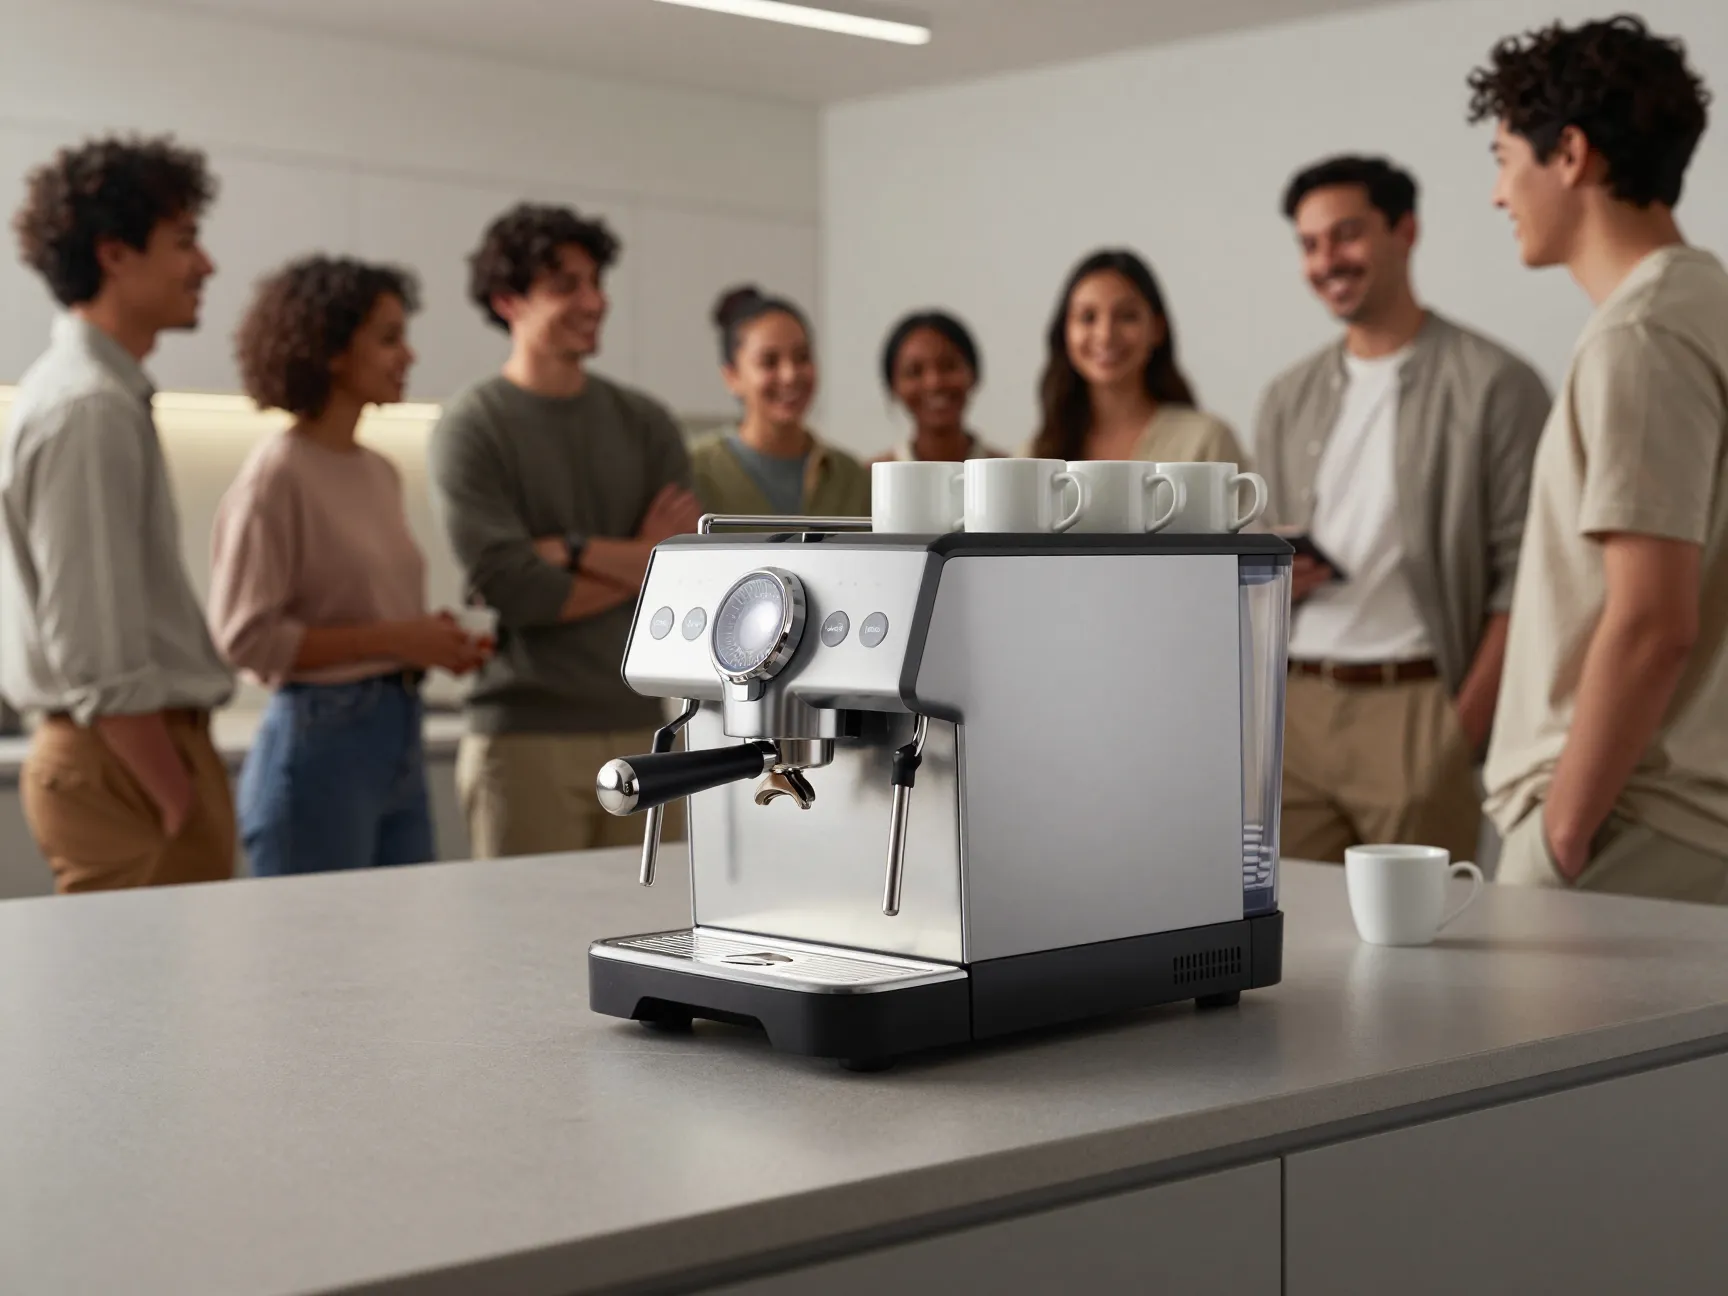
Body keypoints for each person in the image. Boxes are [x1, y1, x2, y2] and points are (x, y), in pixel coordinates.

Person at [1471, 17, 1728, 903]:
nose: (1497, 194)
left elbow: (1655, 621)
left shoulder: (1642, 334)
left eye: (1505, 160)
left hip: (1631, 831)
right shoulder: (1704, 306)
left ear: (1571, 154)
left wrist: (1563, 833)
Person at [1256, 155, 1550, 865]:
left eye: (1347, 234)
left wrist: (1458, 731)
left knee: (1419, 935)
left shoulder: (1497, 385)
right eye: (1309, 244)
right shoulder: (1286, 397)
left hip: (1418, 705)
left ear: (1405, 231)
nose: (1327, 260)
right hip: (1295, 709)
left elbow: (1527, 578)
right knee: (1286, 922)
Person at [429, 202, 702, 859]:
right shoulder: (472, 426)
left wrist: (572, 552)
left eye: (595, 282)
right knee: (525, 928)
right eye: (565, 286)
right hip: (522, 742)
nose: (594, 301)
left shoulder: (646, 422)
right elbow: (516, 587)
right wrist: (644, 559)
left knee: (652, 920)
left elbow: (688, 572)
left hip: (645, 730)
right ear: (508, 301)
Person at [0, 135, 236, 892]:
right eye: (185, 241)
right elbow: (95, 651)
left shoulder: (94, 396)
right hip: (128, 763)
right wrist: (174, 795)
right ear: (114, 254)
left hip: (128, 756)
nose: (206, 265)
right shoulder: (90, 410)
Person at [209, 256, 490, 876]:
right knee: (319, 939)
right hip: (321, 740)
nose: (409, 355)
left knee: (401, 931)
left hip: (397, 730)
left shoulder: (379, 471)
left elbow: (370, 617)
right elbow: (247, 639)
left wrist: (430, 643)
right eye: (389, 338)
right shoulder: (276, 475)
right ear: (332, 350)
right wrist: (399, 639)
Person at [1028, 249, 1247, 464]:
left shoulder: (1207, 443)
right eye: (1088, 317)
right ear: (1064, 330)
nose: (1105, 335)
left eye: (1127, 316)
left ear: (1157, 328)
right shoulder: (1035, 455)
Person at [690, 286, 872, 517]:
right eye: (769, 361)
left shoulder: (851, 478)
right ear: (732, 376)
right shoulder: (696, 472)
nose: (790, 375)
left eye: (802, 357)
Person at [872, 310, 1003, 463]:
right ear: (893, 385)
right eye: (915, 371)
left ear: (973, 374)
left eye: (948, 366)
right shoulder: (870, 476)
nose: (934, 383)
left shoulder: (1012, 473)